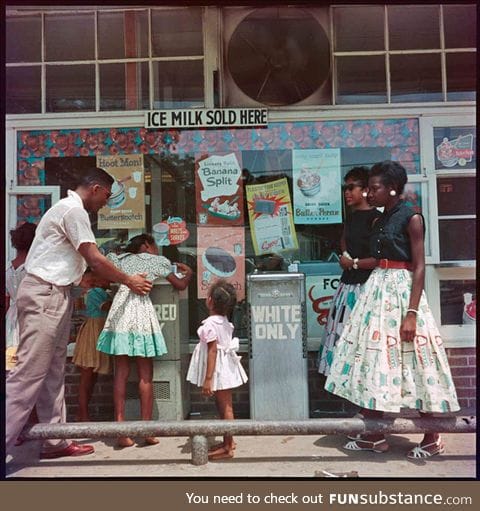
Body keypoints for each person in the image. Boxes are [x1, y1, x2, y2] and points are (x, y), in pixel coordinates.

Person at [6, 167, 153, 460]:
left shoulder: (67, 210)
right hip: (45, 294)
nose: (106, 204)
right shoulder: (73, 211)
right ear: (96, 188)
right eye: (107, 197)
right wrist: (129, 279)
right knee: (28, 374)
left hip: (54, 294)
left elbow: (78, 266)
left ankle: (54, 440)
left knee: (52, 373)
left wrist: (87, 281)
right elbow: (94, 258)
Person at [324, 160, 460, 459]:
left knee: (417, 359)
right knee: (374, 358)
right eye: (369, 189)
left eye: (375, 189)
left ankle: (432, 437)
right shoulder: (382, 218)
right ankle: (374, 433)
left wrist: (411, 313)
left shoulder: (411, 217)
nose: (370, 194)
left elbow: (420, 266)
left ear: (393, 189)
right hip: (377, 289)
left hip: (401, 292)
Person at [96, 234, 193, 448]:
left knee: (120, 372)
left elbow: (103, 270)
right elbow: (179, 285)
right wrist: (189, 274)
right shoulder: (157, 261)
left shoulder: (120, 260)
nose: (157, 250)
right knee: (145, 373)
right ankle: (147, 431)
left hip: (120, 312)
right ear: (147, 245)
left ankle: (121, 431)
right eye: (155, 246)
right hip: (140, 312)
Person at [318, 167, 381, 375]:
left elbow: (381, 258)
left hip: (367, 287)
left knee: (363, 339)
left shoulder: (376, 219)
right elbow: (344, 238)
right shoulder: (352, 217)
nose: (346, 192)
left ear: (365, 190)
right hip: (347, 287)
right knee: (343, 336)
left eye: (351, 187)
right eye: (346, 187)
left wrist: (352, 263)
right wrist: (344, 253)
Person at [186, 278, 248, 460]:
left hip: (218, 370)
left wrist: (208, 379)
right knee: (223, 406)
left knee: (226, 407)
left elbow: (212, 351)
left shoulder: (210, 325)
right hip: (225, 367)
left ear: (211, 301)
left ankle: (228, 446)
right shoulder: (224, 321)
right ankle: (228, 440)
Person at [72, 269, 112, 422]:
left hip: (99, 332)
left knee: (91, 377)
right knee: (87, 376)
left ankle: (81, 414)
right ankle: (83, 415)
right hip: (92, 335)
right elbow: (106, 307)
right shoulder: (95, 292)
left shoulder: (100, 291)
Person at [6, 222, 37, 371]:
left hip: (11, 318)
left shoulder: (7, 268)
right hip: (32, 317)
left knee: (12, 365)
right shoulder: (34, 269)